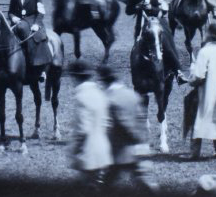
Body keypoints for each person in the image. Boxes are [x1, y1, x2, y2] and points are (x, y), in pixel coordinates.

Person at [96, 64, 158, 194]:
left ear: (104, 81)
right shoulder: (132, 94)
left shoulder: (112, 99)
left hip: (122, 150)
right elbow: (141, 118)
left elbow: (124, 123)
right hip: (138, 148)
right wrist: (143, 140)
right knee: (142, 181)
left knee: (106, 185)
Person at [126, 0, 186, 84]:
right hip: (142, 23)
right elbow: (128, 11)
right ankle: (135, 71)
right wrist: (137, 7)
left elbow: (163, 9)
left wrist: (151, 8)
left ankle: (178, 71)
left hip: (157, 22)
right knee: (136, 48)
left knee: (167, 43)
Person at [187, 23, 216, 160]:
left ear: (208, 35)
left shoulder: (204, 52)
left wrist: (191, 81)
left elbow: (199, 75)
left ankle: (195, 151)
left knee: (199, 118)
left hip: (205, 93)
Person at [68, 60, 112, 190]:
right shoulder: (100, 93)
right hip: (103, 149)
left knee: (87, 188)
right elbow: (107, 122)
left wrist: (75, 150)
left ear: (75, 77)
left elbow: (83, 129)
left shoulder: (81, 96)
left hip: (88, 152)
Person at [8, 0, 52, 78]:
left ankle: (40, 68)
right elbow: (10, 12)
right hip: (18, 22)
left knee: (36, 39)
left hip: (32, 21)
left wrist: (37, 24)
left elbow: (41, 12)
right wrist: (13, 18)